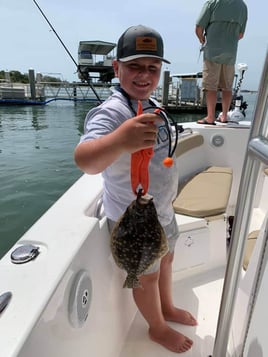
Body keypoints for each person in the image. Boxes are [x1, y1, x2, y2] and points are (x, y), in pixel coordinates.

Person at [74, 25, 197, 353]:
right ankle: (156, 327)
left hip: (162, 213)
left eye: (152, 68)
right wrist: (119, 140)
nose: (144, 75)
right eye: (134, 66)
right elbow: (85, 160)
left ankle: (168, 308)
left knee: (167, 260)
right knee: (147, 278)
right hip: (133, 222)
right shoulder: (112, 113)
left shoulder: (152, 103)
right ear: (116, 68)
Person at [195, 0, 247, 124]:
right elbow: (240, 34)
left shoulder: (212, 2)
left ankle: (210, 117)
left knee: (210, 86)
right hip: (230, 53)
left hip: (212, 52)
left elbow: (198, 28)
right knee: (227, 87)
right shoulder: (242, 6)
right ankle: (224, 116)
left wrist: (202, 40)